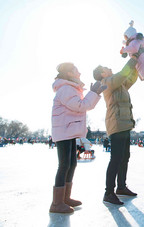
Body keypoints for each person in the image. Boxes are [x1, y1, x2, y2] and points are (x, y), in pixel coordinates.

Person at [50, 62, 105, 214]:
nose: (79, 73)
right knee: (64, 165)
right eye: (76, 70)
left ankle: (65, 198)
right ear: (69, 74)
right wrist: (93, 93)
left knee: (72, 163)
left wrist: (94, 93)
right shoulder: (66, 89)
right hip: (64, 130)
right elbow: (81, 106)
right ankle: (56, 203)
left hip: (68, 130)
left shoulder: (71, 88)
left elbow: (82, 106)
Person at [93, 48, 144, 205]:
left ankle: (121, 187)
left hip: (125, 123)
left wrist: (136, 68)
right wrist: (133, 58)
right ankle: (108, 193)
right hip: (116, 124)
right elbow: (122, 74)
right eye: (105, 68)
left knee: (124, 157)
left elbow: (129, 79)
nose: (109, 68)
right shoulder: (106, 83)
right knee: (116, 158)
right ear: (102, 74)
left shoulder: (118, 84)